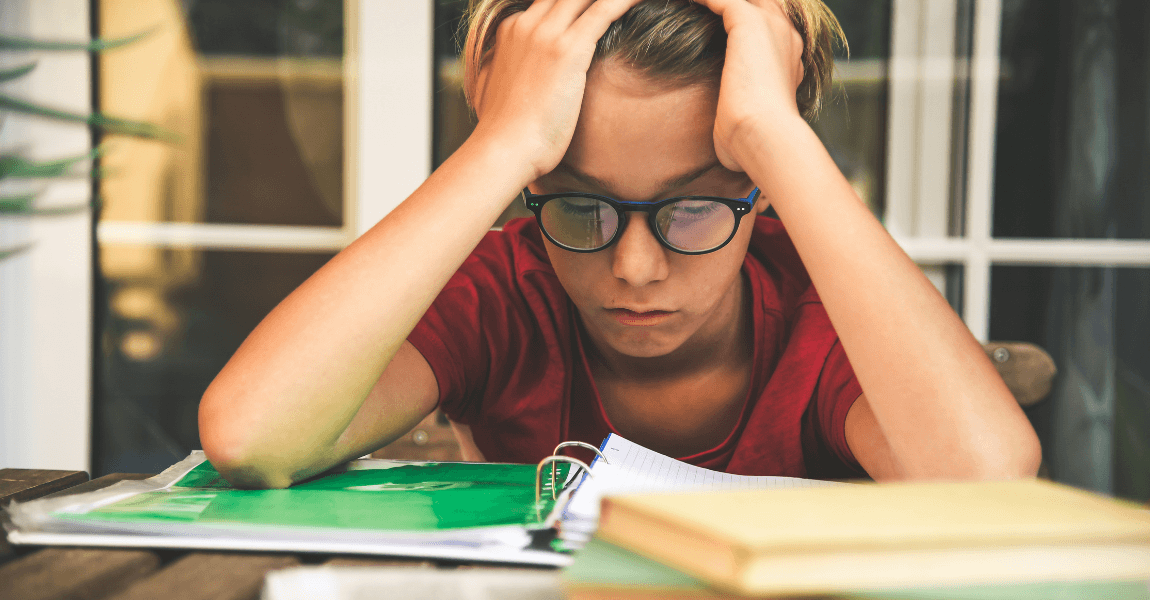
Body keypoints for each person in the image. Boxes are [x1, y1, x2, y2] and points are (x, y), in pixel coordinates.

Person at [198, 0, 1041, 489]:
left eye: (698, 208)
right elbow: (251, 435)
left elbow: (989, 486)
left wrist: (778, 136)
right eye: (578, 205)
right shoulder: (507, 293)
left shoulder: (828, 318)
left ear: (761, 191)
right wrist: (502, 144)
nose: (635, 269)